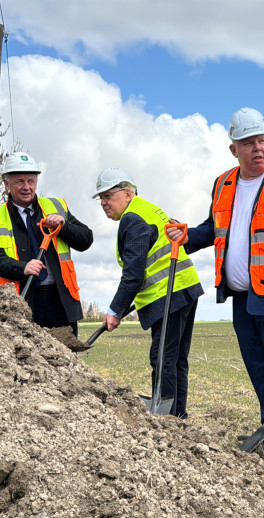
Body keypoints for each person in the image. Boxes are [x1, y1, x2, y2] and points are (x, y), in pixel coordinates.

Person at [169, 107, 264, 455]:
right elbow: (215, 228)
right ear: (234, 149)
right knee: (258, 366)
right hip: (242, 296)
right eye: (248, 143)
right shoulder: (223, 183)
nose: (257, 148)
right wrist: (188, 236)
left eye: (262, 140)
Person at [95, 168, 203, 418]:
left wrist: (115, 311)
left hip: (169, 292)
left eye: (108, 196)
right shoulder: (148, 209)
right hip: (184, 287)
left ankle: (166, 416)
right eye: (101, 198)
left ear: (128, 193)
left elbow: (133, 274)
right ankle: (177, 415)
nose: (103, 203)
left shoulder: (133, 219)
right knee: (176, 358)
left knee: (163, 358)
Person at [0, 152, 93, 336]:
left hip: (61, 300)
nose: (27, 187)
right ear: (7, 184)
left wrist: (64, 227)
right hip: (21, 303)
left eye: (31, 181)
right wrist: (22, 267)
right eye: (20, 182)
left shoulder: (56, 207)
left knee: (66, 353)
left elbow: (86, 240)